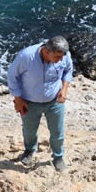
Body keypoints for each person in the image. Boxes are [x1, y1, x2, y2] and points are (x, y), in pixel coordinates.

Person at [7, 36, 73, 172]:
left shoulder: (64, 55)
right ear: (46, 51)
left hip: (54, 101)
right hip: (29, 102)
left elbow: (68, 70)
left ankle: (58, 157)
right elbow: (12, 75)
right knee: (29, 131)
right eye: (57, 57)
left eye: (62, 57)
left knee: (57, 132)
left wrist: (64, 89)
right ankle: (30, 150)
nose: (60, 60)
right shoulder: (26, 56)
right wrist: (18, 99)